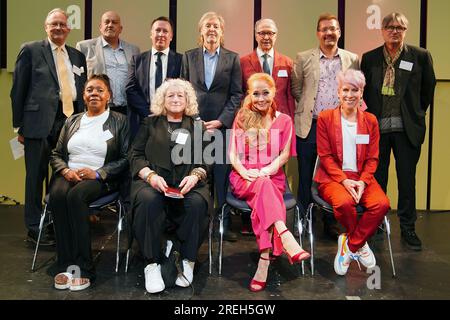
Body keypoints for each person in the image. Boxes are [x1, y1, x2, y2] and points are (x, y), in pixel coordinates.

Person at [10, 8, 87, 246]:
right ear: (46, 27)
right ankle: (35, 228)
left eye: (63, 25)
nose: (59, 28)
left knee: (61, 177)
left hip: (68, 123)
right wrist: (18, 127)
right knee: (36, 176)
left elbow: (80, 90)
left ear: (69, 28)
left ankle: (54, 221)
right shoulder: (31, 50)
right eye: (54, 24)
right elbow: (18, 90)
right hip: (37, 123)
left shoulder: (76, 56)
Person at [361, 13, 436, 251]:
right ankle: (378, 225)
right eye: (390, 27)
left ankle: (408, 228)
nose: (395, 31)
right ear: (382, 30)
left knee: (407, 181)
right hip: (378, 131)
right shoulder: (370, 58)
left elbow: (427, 90)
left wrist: (414, 114)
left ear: (406, 30)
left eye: (399, 27)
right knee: (377, 181)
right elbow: (365, 93)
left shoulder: (420, 56)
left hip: (407, 130)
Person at [229, 73, 310, 292]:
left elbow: (284, 156)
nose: (261, 98)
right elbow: (233, 155)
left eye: (265, 93)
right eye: (256, 93)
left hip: (272, 177)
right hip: (244, 178)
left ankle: (264, 259)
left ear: (274, 92)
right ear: (249, 94)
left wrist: (265, 171)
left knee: (264, 192)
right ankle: (284, 235)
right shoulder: (242, 117)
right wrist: (245, 171)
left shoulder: (284, 120)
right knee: (264, 188)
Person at [129, 78, 211, 294]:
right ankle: (152, 263)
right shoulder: (150, 123)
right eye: (170, 95)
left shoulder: (197, 125)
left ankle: (187, 259)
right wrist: (150, 176)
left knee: (197, 203)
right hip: (153, 182)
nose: (175, 99)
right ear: (162, 100)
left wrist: (195, 175)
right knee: (148, 199)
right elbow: (135, 154)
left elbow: (207, 159)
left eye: (180, 95)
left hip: (188, 183)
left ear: (188, 100)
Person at [49, 74, 130, 291]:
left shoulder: (120, 121)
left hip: (100, 178)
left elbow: (125, 158)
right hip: (69, 174)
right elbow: (56, 154)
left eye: (100, 90)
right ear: (84, 96)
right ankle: (65, 264)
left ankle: (84, 267)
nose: (94, 93)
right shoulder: (72, 120)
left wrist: (98, 173)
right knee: (57, 196)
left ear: (109, 96)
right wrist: (65, 170)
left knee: (76, 196)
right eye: (90, 90)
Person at [314, 69, 390, 276]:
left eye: (354, 90)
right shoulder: (325, 118)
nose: (349, 95)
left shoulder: (371, 121)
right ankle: (361, 243)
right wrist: (345, 181)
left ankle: (351, 244)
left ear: (361, 94)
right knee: (345, 203)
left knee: (381, 204)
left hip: (362, 177)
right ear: (338, 93)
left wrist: (363, 182)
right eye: (345, 90)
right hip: (333, 177)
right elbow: (325, 156)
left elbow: (373, 158)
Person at [291, 13, 359, 240]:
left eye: (333, 29)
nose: (329, 33)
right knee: (305, 173)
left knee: (333, 175)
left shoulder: (352, 59)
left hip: (338, 128)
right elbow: (297, 89)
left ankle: (330, 221)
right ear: (318, 33)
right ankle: (303, 218)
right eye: (324, 29)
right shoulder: (303, 58)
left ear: (339, 32)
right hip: (310, 125)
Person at [181, 12, 243, 242]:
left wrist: (221, 120)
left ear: (222, 31)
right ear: (201, 31)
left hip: (222, 127)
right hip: (195, 127)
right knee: (197, 175)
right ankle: (199, 221)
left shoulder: (232, 58)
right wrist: (195, 119)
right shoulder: (188, 57)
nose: (212, 30)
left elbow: (237, 94)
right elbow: (183, 92)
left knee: (221, 176)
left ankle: (223, 223)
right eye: (207, 25)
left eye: (216, 26)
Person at [240, 18, 295, 235]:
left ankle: (272, 225)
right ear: (255, 35)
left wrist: (287, 132)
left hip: (277, 131)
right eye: (262, 33)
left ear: (276, 35)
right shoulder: (244, 61)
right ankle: (252, 220)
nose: (266, 37)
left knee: (273, 174)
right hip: (251, 128)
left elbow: (291, 96)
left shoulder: (287, 63)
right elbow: (240, 95)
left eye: (270, 33)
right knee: (254, 173)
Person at [126, 16, 182, 139]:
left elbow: (184, 92)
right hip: (143, 121)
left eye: (165, 31)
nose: (161, 34)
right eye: (157, 30)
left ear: (171, 36)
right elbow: (130, 89)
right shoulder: (138, 60)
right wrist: (150, 113)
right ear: (151, 34)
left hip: (172, 122)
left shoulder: (181, 60)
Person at [76, 11, 140, 115]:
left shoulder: (133, 50)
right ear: (100, 27)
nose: (110, 25)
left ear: (120, 29)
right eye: (107, 22)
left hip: (127, 110)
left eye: (114, 22)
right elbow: (78, 81)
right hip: (99, 109)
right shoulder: (84, 48)